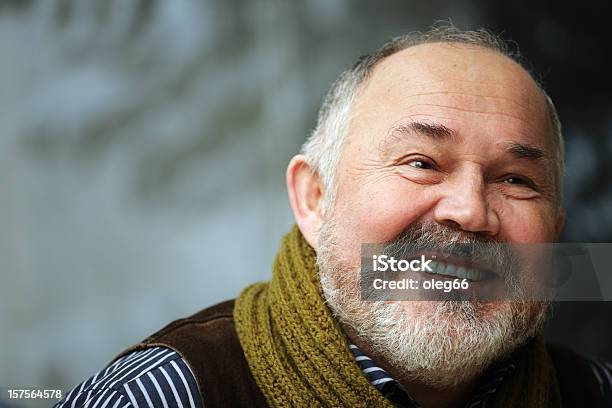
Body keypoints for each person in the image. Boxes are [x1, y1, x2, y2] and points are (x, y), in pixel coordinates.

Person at [54, 25, 612, 408]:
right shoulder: (167, 393)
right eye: (421, 162)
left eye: (516, 180)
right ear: (314, 200)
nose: (469, 211)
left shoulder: (593, 392)